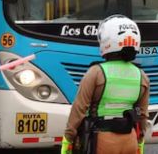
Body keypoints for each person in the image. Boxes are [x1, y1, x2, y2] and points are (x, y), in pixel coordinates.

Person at [61, 15, 150, 154]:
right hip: (130, 140)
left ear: (107, 40)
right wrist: (140, 141)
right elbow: (142, 115)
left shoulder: (96, 73)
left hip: (102, 140)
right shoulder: (142, 76)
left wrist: (68, 139)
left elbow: (79, 108)